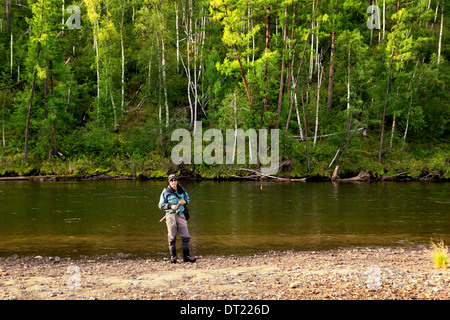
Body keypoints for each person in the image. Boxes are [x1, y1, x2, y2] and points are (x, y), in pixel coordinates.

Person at [158, 174, 196, 263]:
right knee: (172, 237)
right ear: (169, 181)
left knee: (186, 236)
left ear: (177, 181)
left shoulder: (182, 189)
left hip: (181, 215)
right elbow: (160, 206)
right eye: (171, 180)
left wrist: (184, 202)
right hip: (170, 216)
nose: (173, 182)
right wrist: (171, 206)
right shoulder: (165, 192)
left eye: (175, 180)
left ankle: (187, 257)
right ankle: (173, 257)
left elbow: (188, 199)